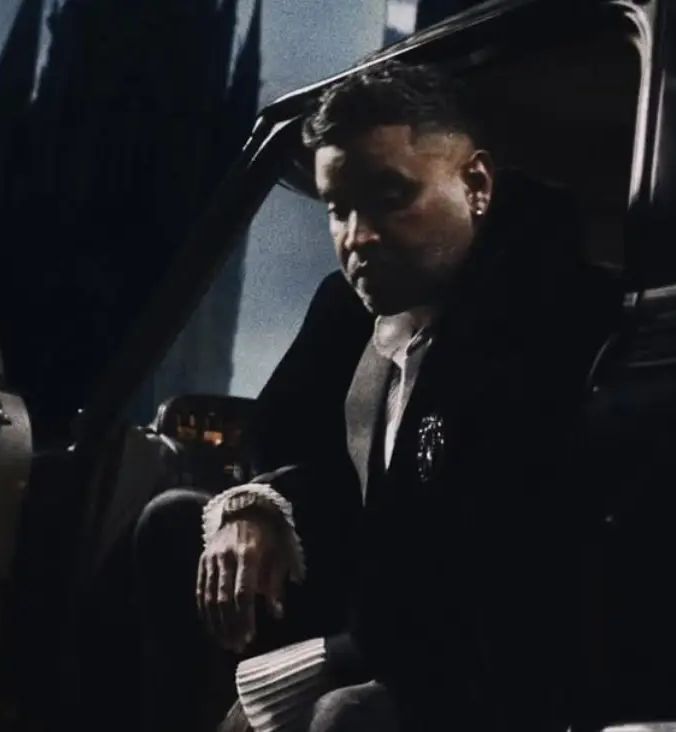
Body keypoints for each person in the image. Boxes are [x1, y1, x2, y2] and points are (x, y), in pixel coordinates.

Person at [136, 59, 623, 732]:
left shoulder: (551, 320)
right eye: (338, 209)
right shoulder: (352, 304)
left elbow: (491, 581)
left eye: (391, 197)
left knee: (346, 717)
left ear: (476, 185)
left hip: (495, 658)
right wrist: (257, 507)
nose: (356, 237)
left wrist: (287, 683)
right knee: (173, 523)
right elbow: (288, 436)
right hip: (382, 608)